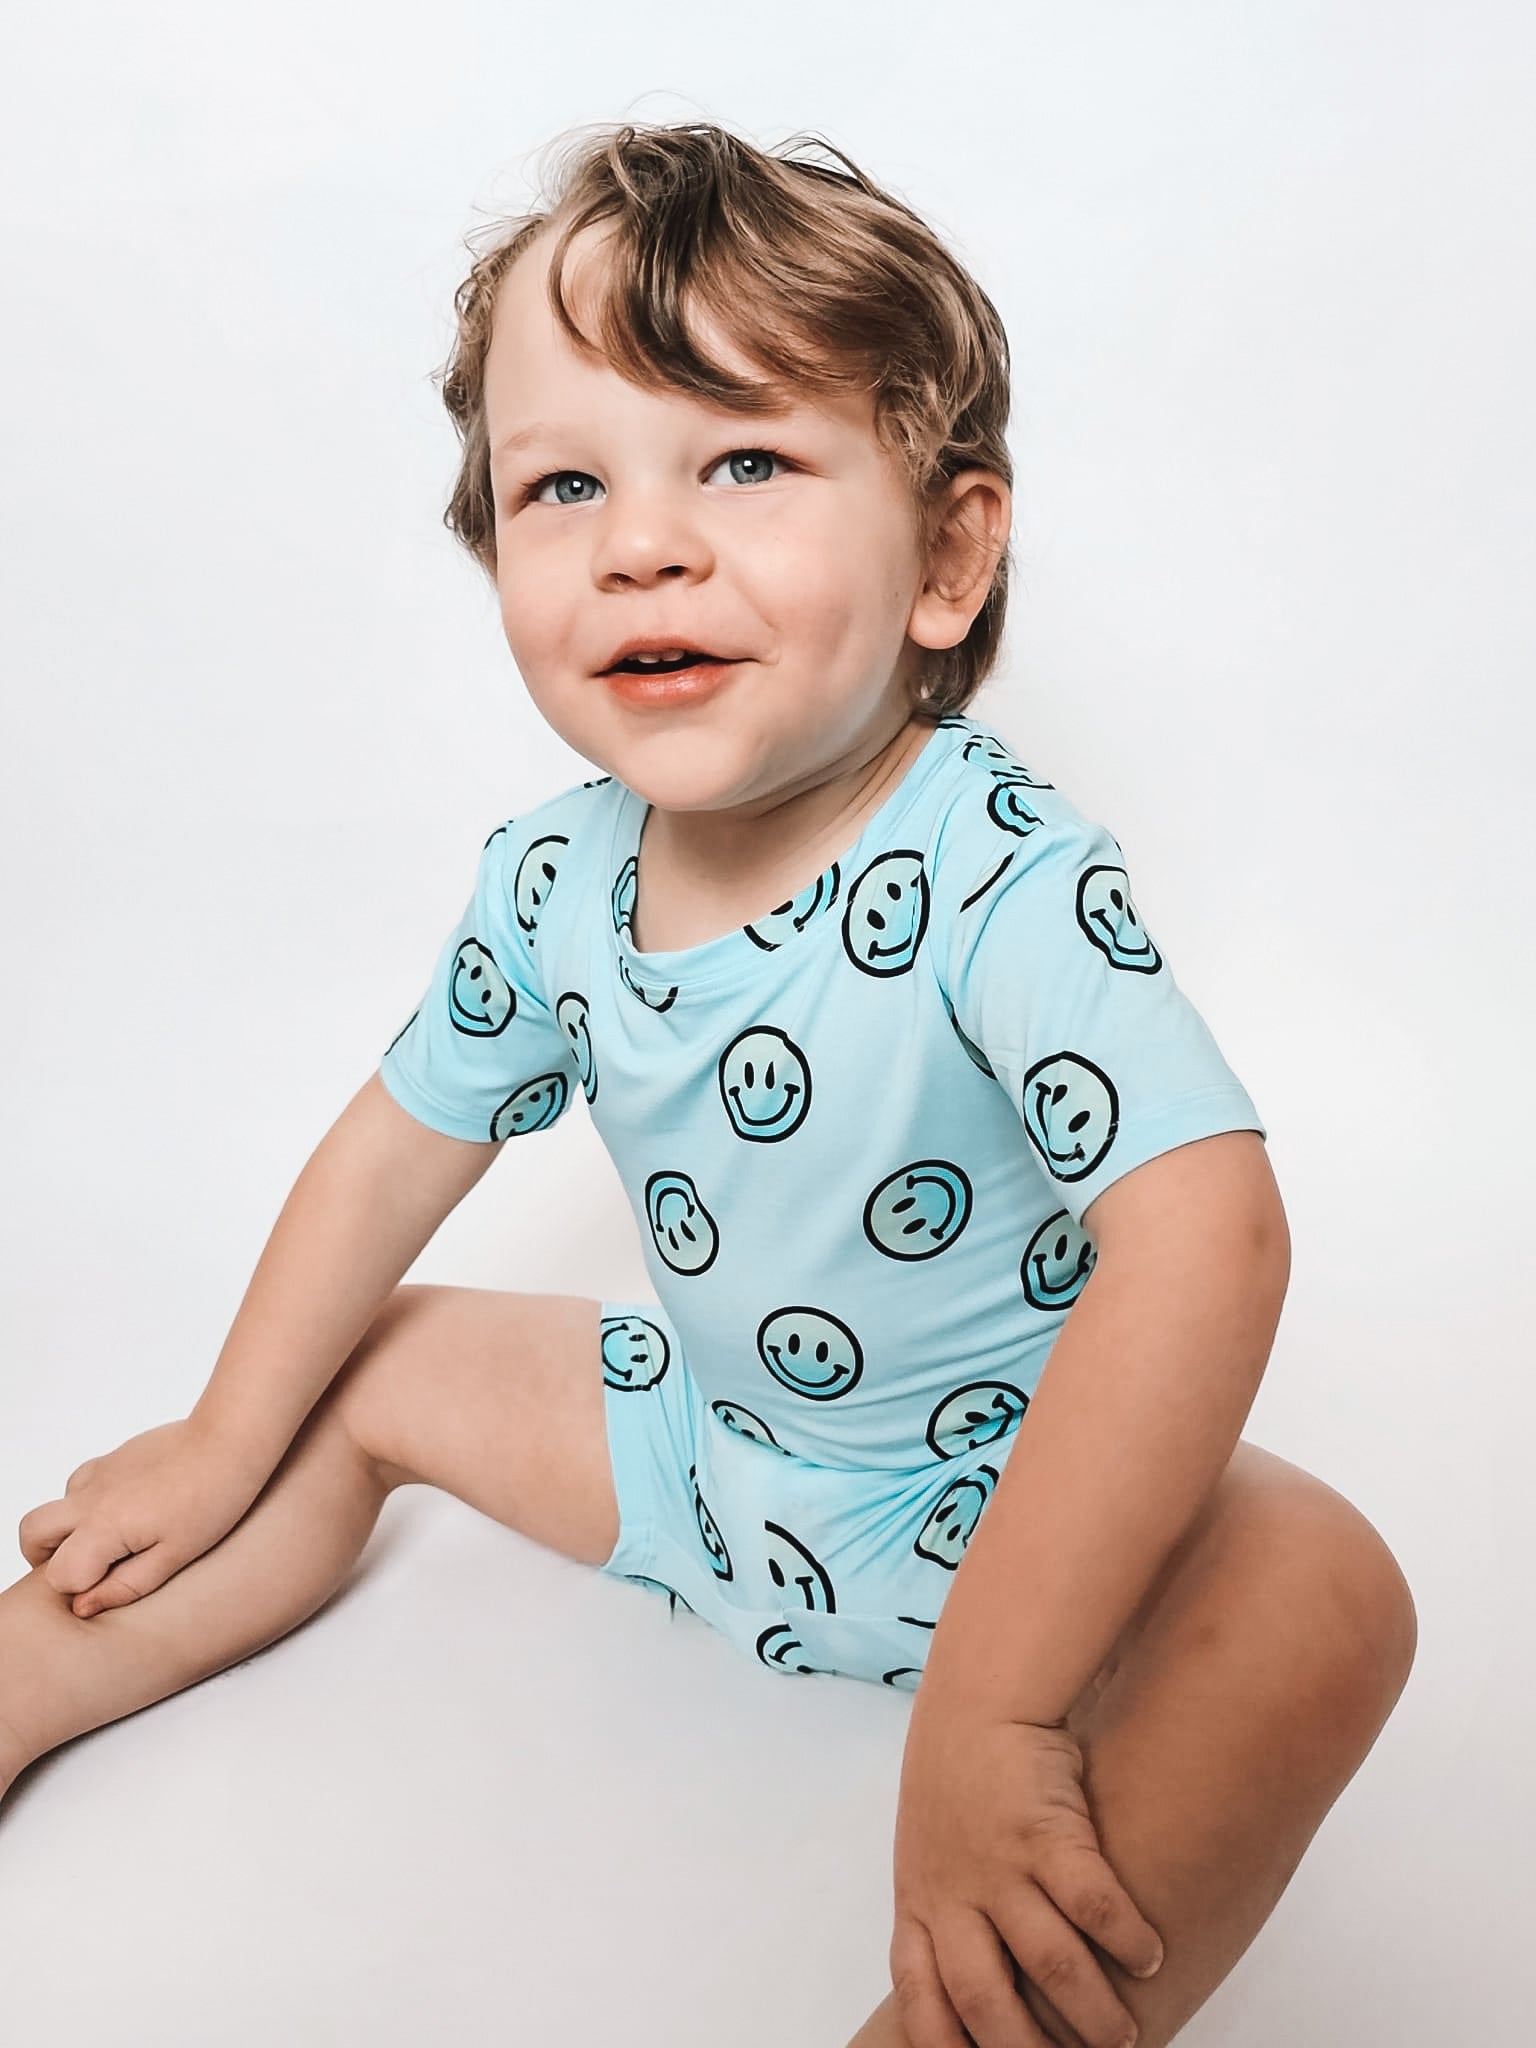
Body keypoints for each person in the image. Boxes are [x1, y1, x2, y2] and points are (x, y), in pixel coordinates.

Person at [1, 120, 1415, 2048]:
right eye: (564, 482)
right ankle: (24, 1685)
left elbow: (1208, 1233)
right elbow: (391, 1153)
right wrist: (219, 1437)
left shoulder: (996, 873)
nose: (642, 542)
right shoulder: (553, 882)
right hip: (714, 1454)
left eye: (744, 461)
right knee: (373, 1354)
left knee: (1326, 1590)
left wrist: (995, 1711)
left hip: (1027, 1519)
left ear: (948, 555)